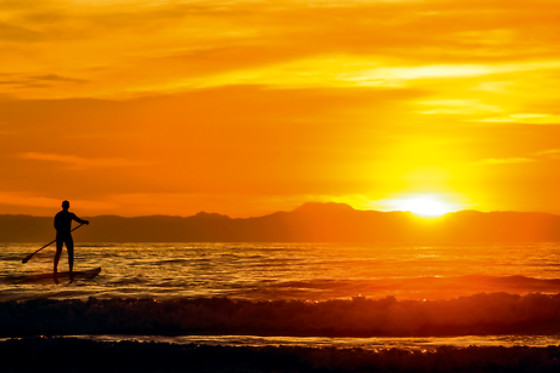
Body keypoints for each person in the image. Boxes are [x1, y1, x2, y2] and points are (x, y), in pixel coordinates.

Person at [54, 200, 89, 283]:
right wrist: (85, 222)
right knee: (67, 252)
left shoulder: (62, 215)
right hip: (64, 235)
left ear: (62, 206)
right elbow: (56, 225)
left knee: (62, 252)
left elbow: (79, 220)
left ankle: (59, 270)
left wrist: (84, 222)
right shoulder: (66, 215)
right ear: (67, 206)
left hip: (61, 235)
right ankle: (65, 270)